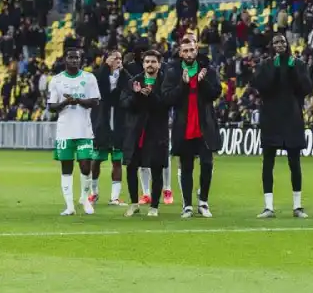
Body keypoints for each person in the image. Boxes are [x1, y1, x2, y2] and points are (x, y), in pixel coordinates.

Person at [253, 32, 313, 219]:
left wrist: (292, 68)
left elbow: (306, 88)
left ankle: (297, 206)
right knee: (268, 163)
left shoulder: (298, 64)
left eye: (283, 42)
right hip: (271, 119)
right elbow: (261, 87)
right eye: (276, 42)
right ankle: (268, 207)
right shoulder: (265, 65)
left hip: (292, 119)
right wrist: (276, 68)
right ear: (271, 46)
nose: (280, 44)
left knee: (294, 163)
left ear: (288, 45)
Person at [167, 37, 220, 218]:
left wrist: (202, 81)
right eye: (185, 50)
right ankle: (187, 205)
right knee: (186, 166)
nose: (189, 53)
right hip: (184, 125)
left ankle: (203, 202)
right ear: (180, 53)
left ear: (196, 50)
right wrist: (182, 84)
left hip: (204, 124)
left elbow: (216, 93)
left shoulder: (208, 70)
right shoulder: (173, 71)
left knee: (207, 163)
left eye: (192, 50)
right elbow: (168, 98)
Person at [47, 48, 101, 216]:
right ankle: (69, 206)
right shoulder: (56, 80)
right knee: (66, 168)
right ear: (65, 59)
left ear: (80, 59)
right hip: (64, 132)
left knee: (86, 166)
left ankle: (85, 199)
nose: (74, 60)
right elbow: (51, 107)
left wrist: (78, 100)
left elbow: (95, 101)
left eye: (76, 58)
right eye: (71, 57)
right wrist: (65, 102)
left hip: (84, 130)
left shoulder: (89, 78)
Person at [121, 50, 173, 218]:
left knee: (157, 168)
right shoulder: (133, 81)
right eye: (147, 61)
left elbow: (166, 104)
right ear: (143, 64)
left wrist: (150, 96)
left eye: (153, 61)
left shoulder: (166, 81)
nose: (150, 64)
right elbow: (125, 104)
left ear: (159, 63)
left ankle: (155, 206)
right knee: (131, 167)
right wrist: (136, 95)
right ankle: (134, 204)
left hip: (157, 131)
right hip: (135, 131)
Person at [91, 50, 129, 206]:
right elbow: (100, 87)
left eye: (120, 58)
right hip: (102, 124)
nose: (118, 61)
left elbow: (128, 87)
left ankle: (114, 197)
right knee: (96, 160)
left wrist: (121, 70)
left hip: (119, 125)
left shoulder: (124, 77)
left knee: (117, 161)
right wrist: (106, 67)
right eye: (114, 58)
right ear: (106, 60)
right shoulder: (98, 76)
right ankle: (93, 193)